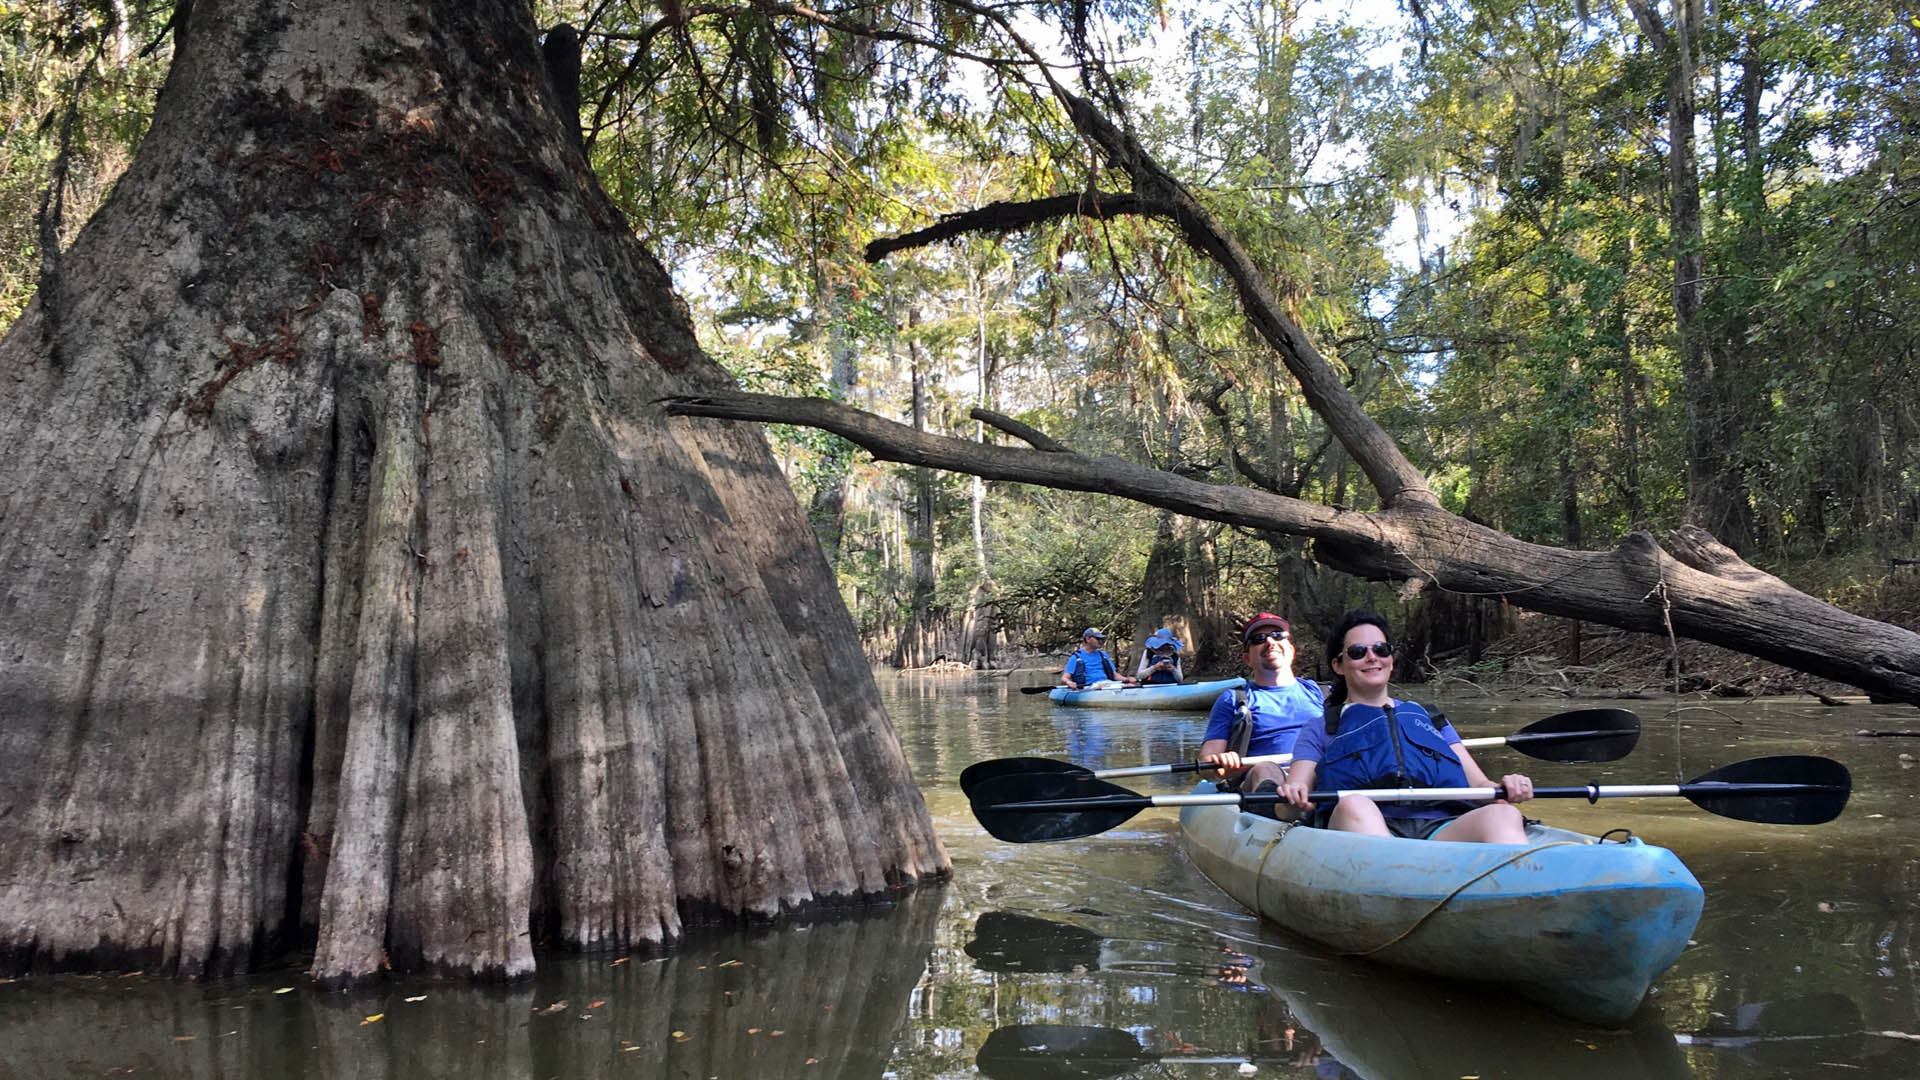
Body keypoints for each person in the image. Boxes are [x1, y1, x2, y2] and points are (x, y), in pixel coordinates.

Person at [1277, 609, 1534, 842]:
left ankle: (1520, 888)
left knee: (1504, 815)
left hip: (1442, 826)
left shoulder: (1428, 717)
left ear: (1391, 659)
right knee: (1354, 805)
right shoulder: (1323, 726)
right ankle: (1397, 882)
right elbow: (1291, 798)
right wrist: (1294, 797)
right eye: (1358, 652)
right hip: (1364, 826)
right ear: (1338, 665)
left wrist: (1507, 787)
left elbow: (1479, 786)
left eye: (1380, 649)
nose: (1371, 657)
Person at [1197, 612, 1324, 810]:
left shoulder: (1318, 693)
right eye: (1259, 639)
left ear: (1291, 650)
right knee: (1265, 769)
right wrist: (1221, 763)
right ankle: (1284, 812)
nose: (1270, 642)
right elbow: (1207, 762)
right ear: (1247, 658)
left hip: (1316, 773)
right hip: (1267, 778)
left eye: (1278, 635)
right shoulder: (1234, 699)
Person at [1059, 627, 1136, 689]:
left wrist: (1126, 679)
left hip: (1106, 683)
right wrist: (1069, 682)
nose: (1100, 641)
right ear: (1088, 639)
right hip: (1089, 686)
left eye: (1101, 639)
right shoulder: (1076, 657)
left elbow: (1114, 675)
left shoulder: (1103, 655)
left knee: (1131, 686)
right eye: (1097, 639)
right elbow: (1064, 678)